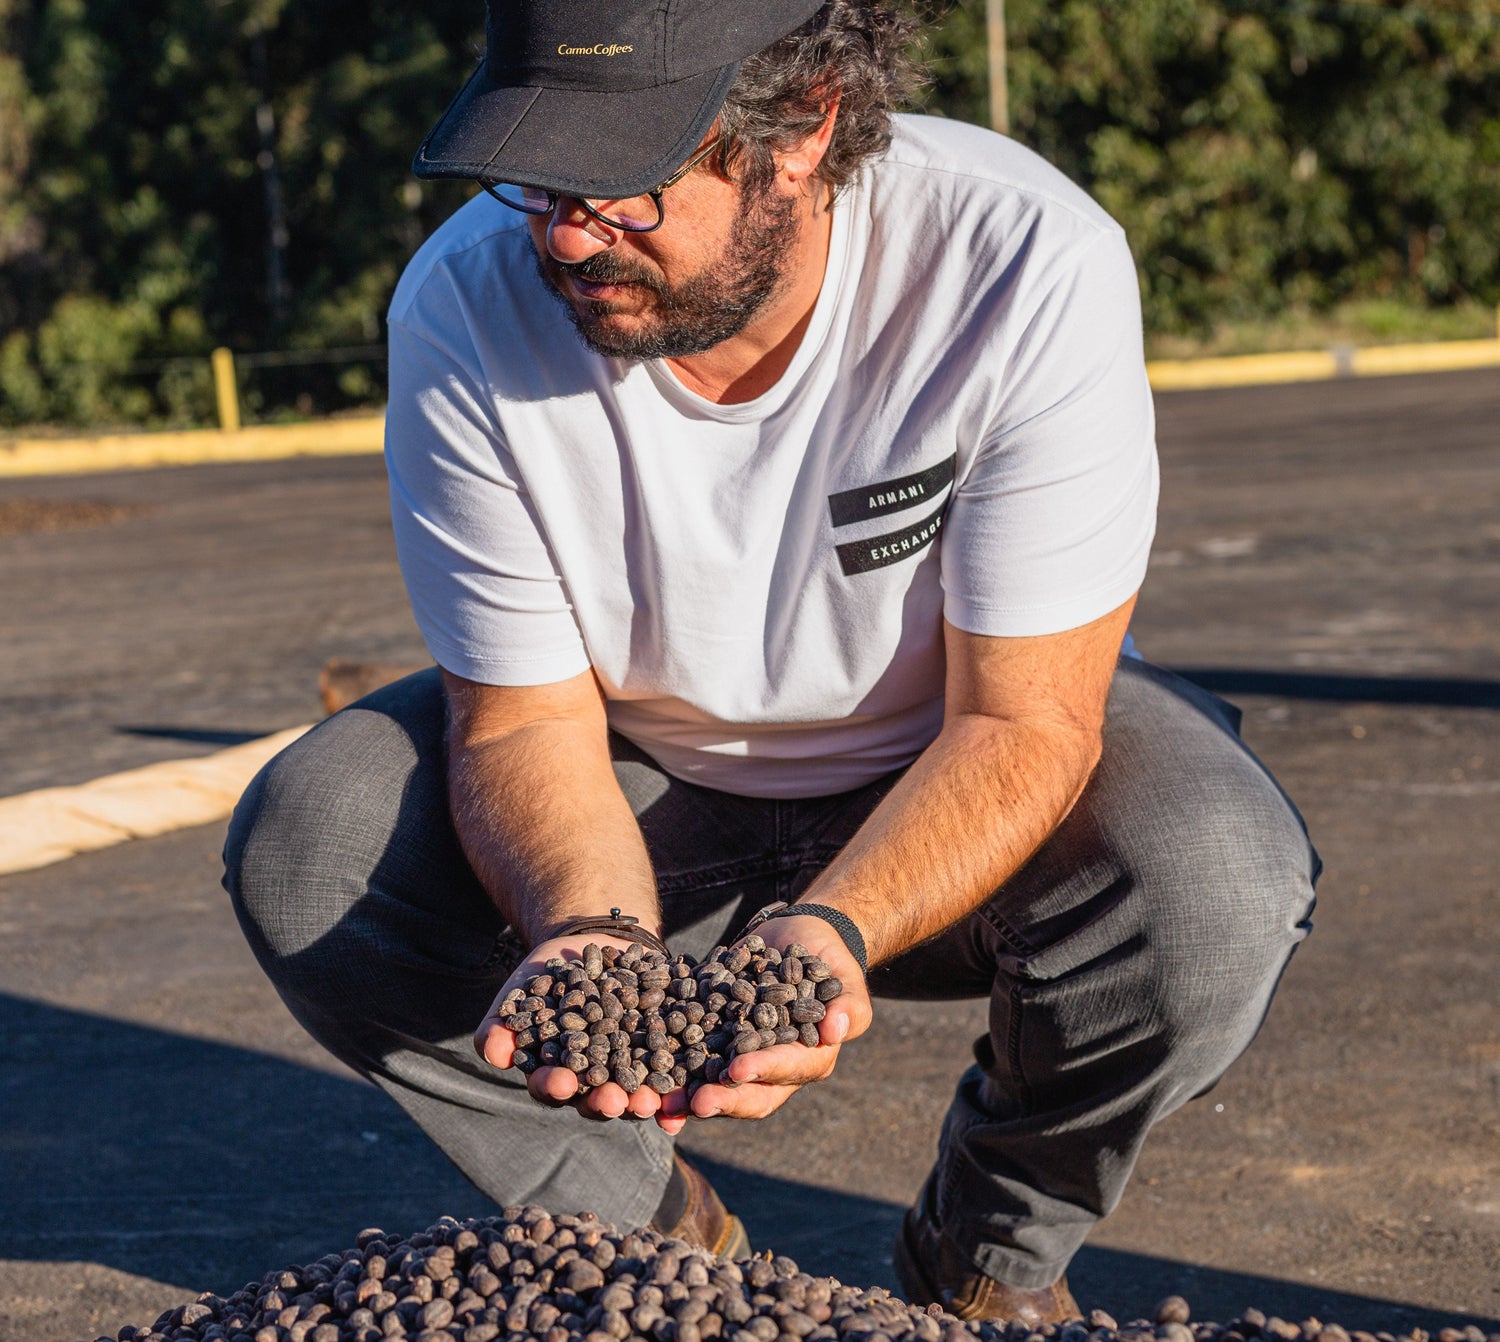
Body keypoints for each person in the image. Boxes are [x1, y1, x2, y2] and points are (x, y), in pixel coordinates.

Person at [224, 0, 1319, 1324]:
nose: (567, 235)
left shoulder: (1024, 260)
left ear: (799, 129)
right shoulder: (465, 305)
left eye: (622, 183)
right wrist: (591, 935)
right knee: (313, 845)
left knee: (1218, 876)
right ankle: (655, 1243)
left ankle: (986, 1251)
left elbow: (1026, 724)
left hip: (954, 758)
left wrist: (828, 936)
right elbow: (520, 729)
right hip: (649, 777)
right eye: (536, 175)